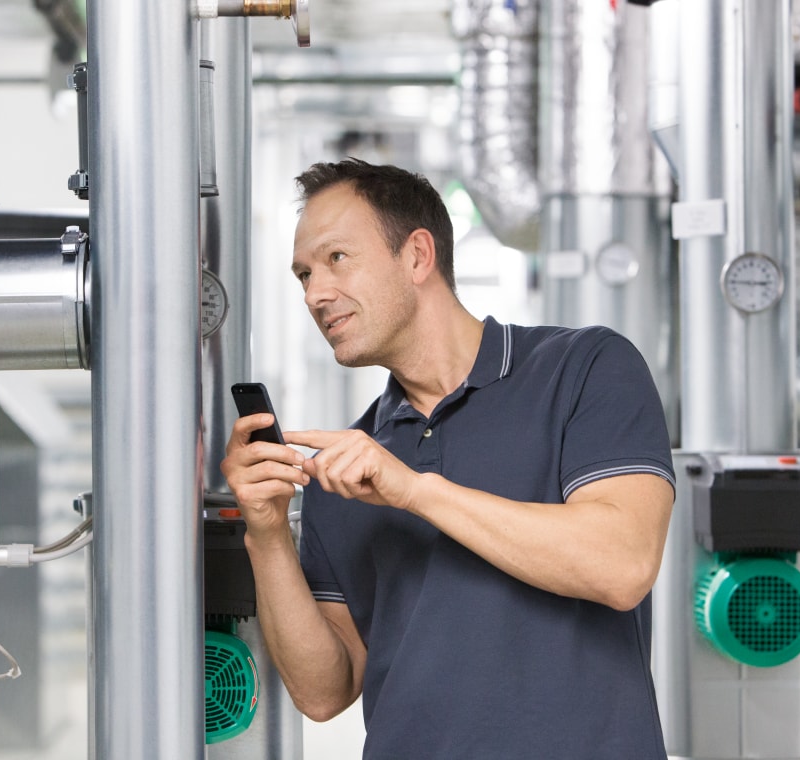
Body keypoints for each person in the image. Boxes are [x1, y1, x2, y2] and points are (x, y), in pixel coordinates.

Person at [220, 158, 676, 759]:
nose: (315, 293)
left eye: (336, 259)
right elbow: (325, 690)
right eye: (303, 274)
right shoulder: (343, 469)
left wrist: (415, 490)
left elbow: (622, 565)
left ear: (416, 255)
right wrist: (268, 531)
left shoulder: (585, 368)